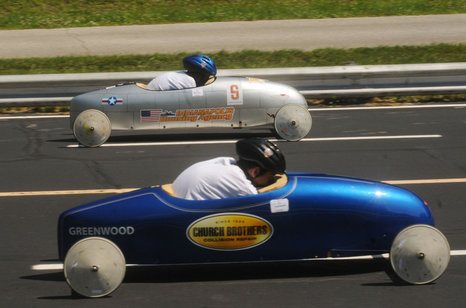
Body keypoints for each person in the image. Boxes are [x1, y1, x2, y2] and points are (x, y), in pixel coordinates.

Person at [172, 138, 286, 200]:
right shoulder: (242, 186)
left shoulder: (225, 162)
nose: (273, 180)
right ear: (255, 171)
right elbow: (263, 204)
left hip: (177, 195)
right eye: (271, 176)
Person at [146, 54, 217, 90]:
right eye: (207, 76)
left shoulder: (183, 75)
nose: (206, 80)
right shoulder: (189, 81)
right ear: (200, 74)